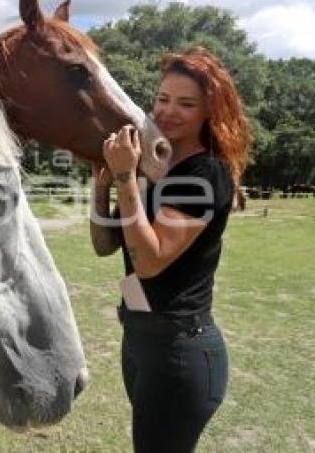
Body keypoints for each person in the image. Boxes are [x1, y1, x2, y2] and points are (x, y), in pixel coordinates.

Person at [89, 47, 251, 452]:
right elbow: (106, 245)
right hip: (139, 337)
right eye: (162, 99)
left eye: (186, 103)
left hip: (179, 351)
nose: (167, 111)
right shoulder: (153, 165)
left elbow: (148, 261)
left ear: (209, 112)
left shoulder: (204, 173)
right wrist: (102, 186)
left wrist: (126, 177)